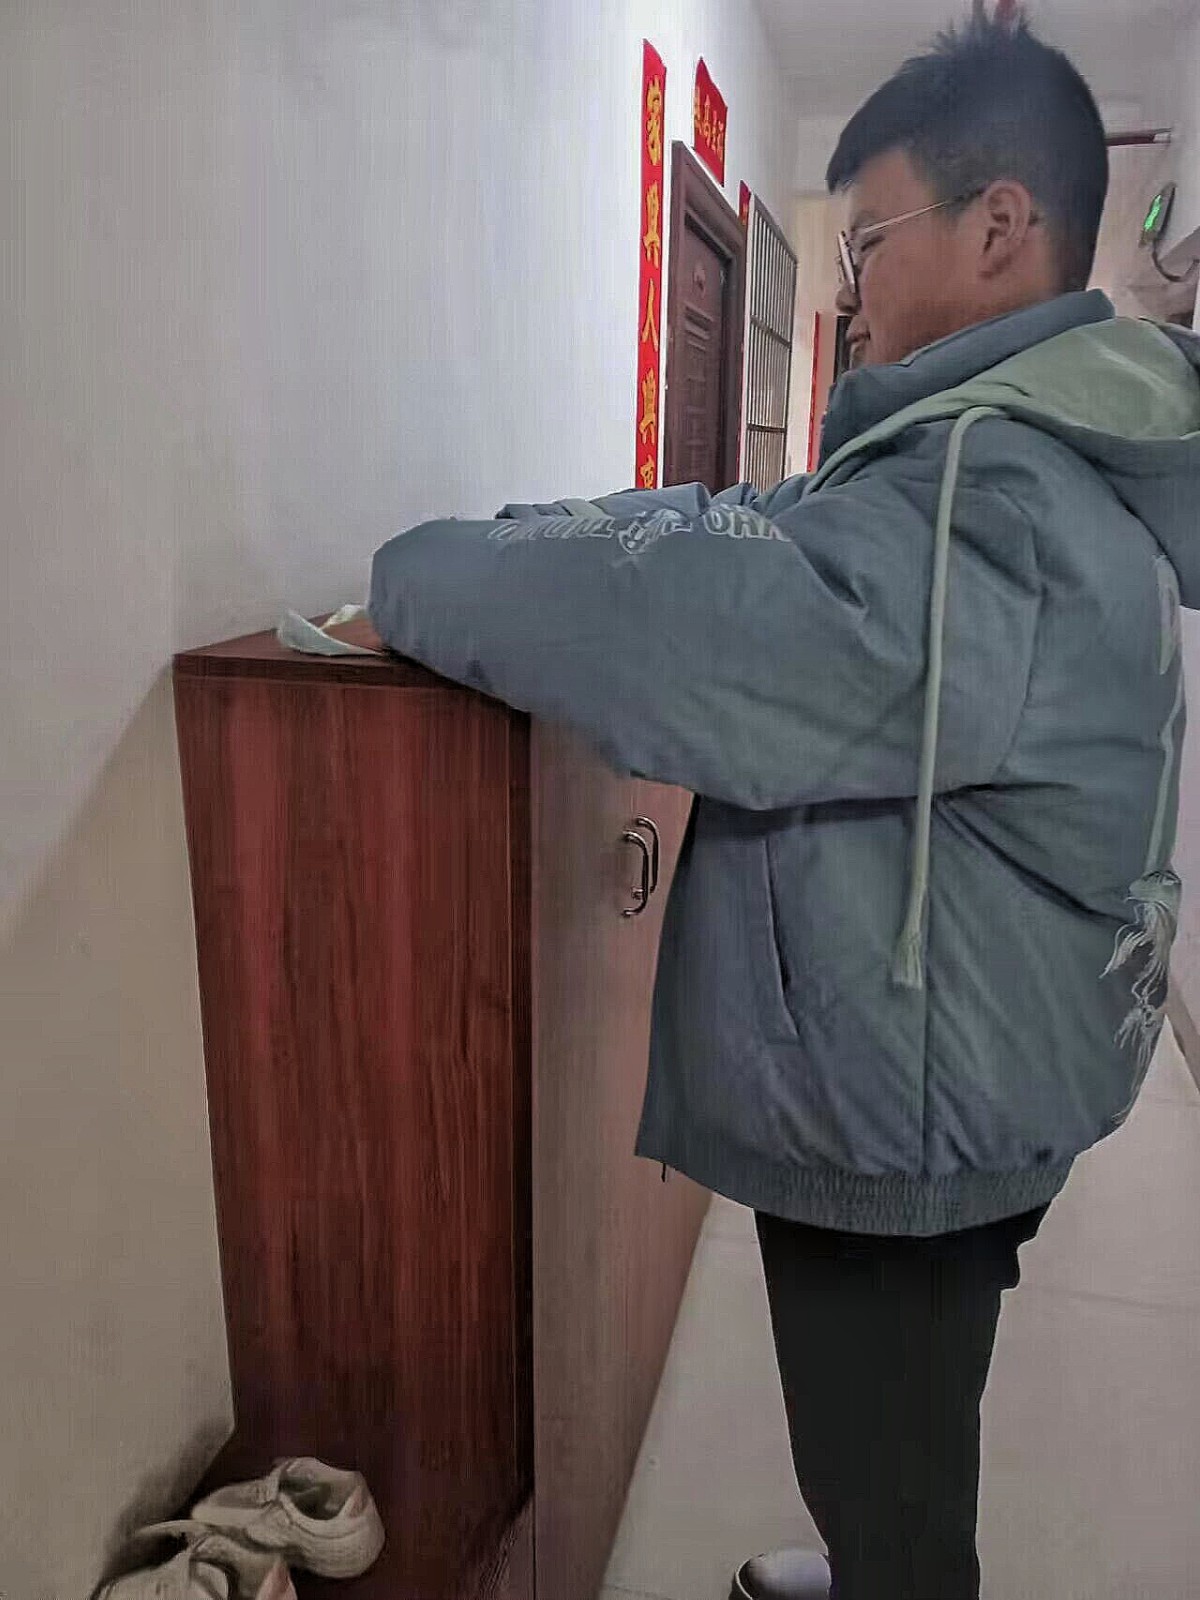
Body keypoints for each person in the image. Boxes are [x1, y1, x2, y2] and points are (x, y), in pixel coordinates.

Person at [363, 8, 1200, 1597]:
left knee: (885, 1468)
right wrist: (557, 522)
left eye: (869, 241)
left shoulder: (990, 504)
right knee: (909, 1413)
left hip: (915, 1096)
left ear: (999, 227)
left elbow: (687, 627)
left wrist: (421, 568)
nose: (853, 287)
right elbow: (762, 532)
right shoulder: (1006, 454)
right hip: (978, 1043)